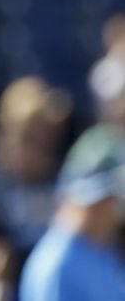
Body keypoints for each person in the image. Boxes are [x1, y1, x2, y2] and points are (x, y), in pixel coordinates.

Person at [19, 123, 125, 301]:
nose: (107, 210)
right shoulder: (56, 264)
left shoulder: (102, 251)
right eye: (100, 201)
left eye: (110, 200)